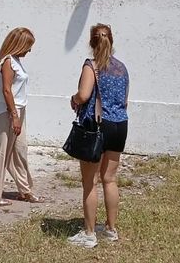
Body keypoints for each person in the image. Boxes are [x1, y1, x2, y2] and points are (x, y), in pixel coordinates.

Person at [67, 24, 130, 249]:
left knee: (89, 182)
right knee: (110, 179)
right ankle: (111, 229)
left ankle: (89, 233)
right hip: (120, 125)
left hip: (96, 127)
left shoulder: (90, 66)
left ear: (92, 43)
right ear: (111, 41)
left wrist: (74, 98)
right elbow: (125, 100)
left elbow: (84, 95)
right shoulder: (121, 68)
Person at [0, 27, 42, 209]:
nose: (29, 50)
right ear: (19, 44)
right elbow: (7, 90)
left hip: (19, 110)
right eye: (28, 46)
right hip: (8, 112)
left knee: (19, 151)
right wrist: (14, 116)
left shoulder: (16, 61)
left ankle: (25, 190)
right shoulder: (8, 61)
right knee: (1, 154)